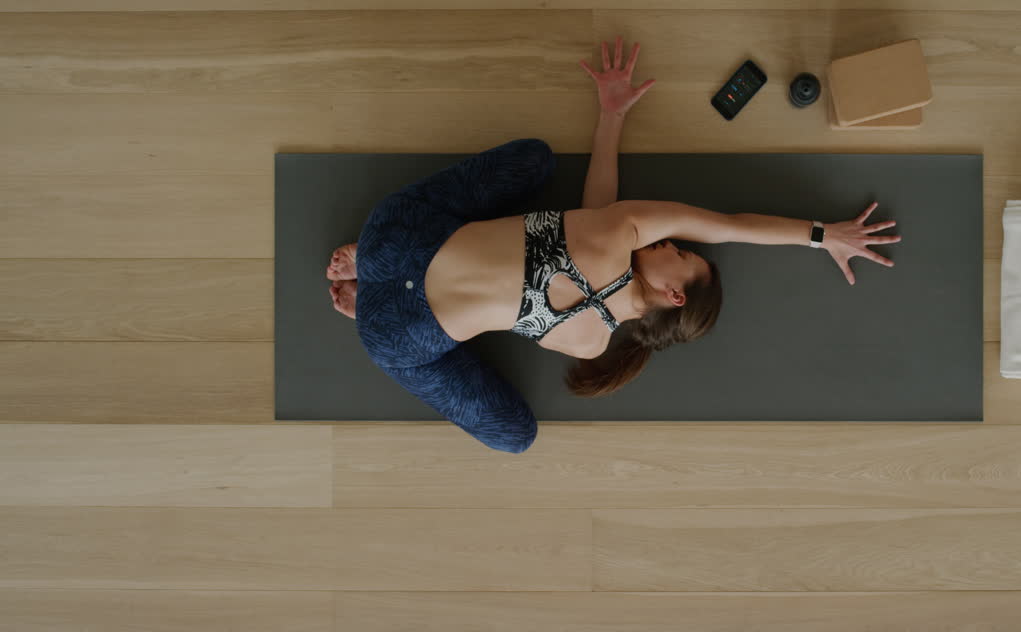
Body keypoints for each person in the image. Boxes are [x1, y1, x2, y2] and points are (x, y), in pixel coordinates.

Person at [325, 37, 902, 454]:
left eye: (681, 254)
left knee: (535, 160)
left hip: (398, 234)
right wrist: (611, 120)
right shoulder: (590, 344)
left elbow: (727, 225)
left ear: (675, 293)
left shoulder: (618, 231)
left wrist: (825, 235)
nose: (675, 242)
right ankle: (366, 299)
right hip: (395, 335)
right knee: (515, 436)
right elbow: (598, 224)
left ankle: (372, 259)